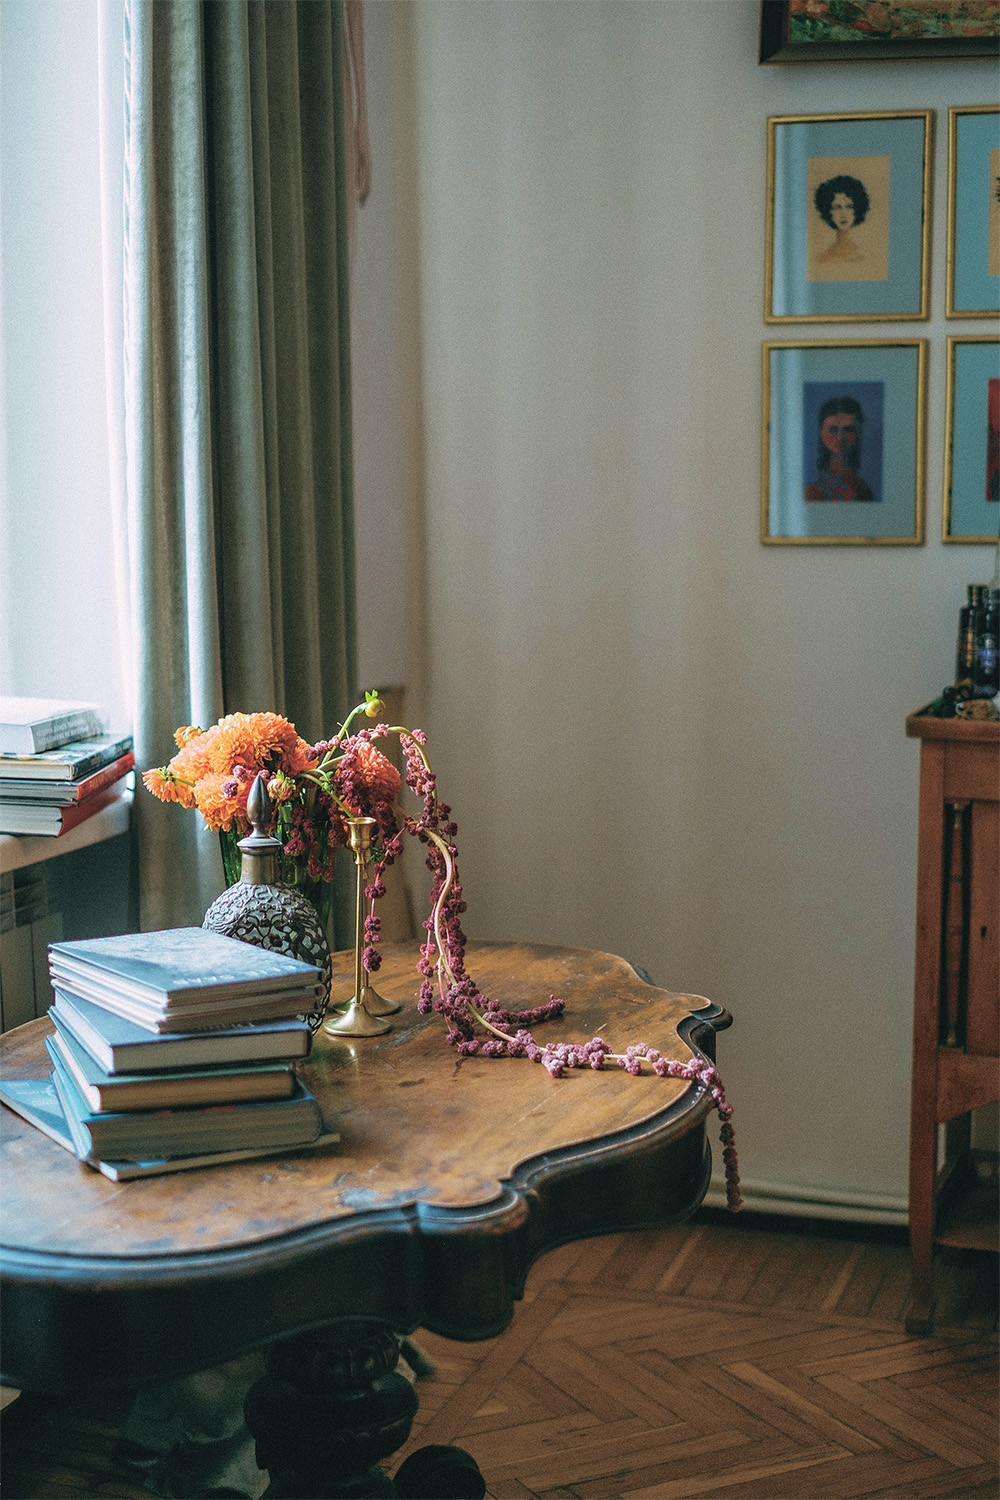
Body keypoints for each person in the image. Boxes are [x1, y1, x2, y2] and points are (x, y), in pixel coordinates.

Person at [804, 395, 876, 504]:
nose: (840, 437)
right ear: (822, 434)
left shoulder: (862, 489)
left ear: (858, 434)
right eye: (833, 430)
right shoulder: (811, 490)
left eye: (848, 430)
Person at [813, 174, 870, 266]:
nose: (843, 214)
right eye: (837, 207)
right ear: (828, 211)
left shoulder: (865, 257)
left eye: (849, 207)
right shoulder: (822, 259)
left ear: (857, 209)